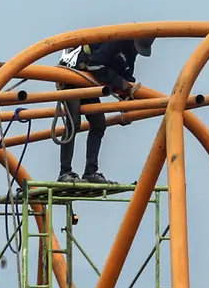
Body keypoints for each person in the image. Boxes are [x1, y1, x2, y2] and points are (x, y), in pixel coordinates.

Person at [54, 37, 154, 184]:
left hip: (87, 84)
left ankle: (90, 171)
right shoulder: (116, 41)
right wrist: (120, 83)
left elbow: (125, 76)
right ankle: (65, 172)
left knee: (99, 124)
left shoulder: (129, 52)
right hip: (74, 76)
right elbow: (95, 65)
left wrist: (131, 103)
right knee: (73, 123)